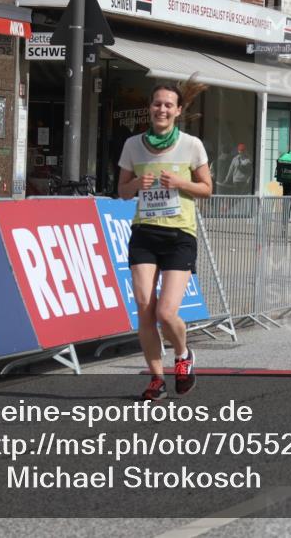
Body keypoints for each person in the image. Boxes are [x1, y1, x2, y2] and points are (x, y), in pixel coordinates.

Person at [117, 79, 212, 401]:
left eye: (168, 105)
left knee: (166, 313)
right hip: (145, 232)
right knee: (145, 307)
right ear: (150, 108)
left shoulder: (191, 145)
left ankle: (183, 355)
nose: (162, 109)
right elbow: (122, 190)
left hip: (179, 235)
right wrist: (136, 185)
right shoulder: (133, 145)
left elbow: (207, 189)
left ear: (178, 110)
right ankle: (156, 378)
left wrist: (181, 182)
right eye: (157, 103)